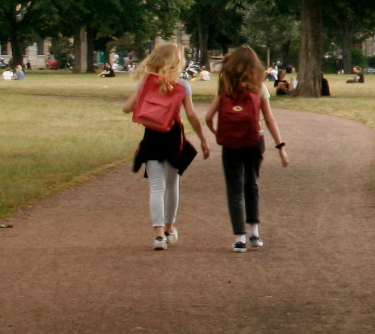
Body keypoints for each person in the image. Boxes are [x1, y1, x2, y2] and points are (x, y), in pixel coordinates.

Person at [120, 41, 210, 251]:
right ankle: (170, 229)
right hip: (173, 137)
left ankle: (158, 235)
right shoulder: (182, 85)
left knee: (156, 187)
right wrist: (203, 140)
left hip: (152, 136)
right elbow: (190, 115)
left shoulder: (146, 83)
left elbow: (127, 108)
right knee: (172, 185)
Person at [202, 47, 291, 252]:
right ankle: (254, 233)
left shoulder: (225, 86)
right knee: (251, 184)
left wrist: (218, 134)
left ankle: (239, 238)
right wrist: (280, 147)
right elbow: (269, 118)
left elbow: (207, 117)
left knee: (234, 188)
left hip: (230, 143)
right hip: (253, 140)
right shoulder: (258, 87)